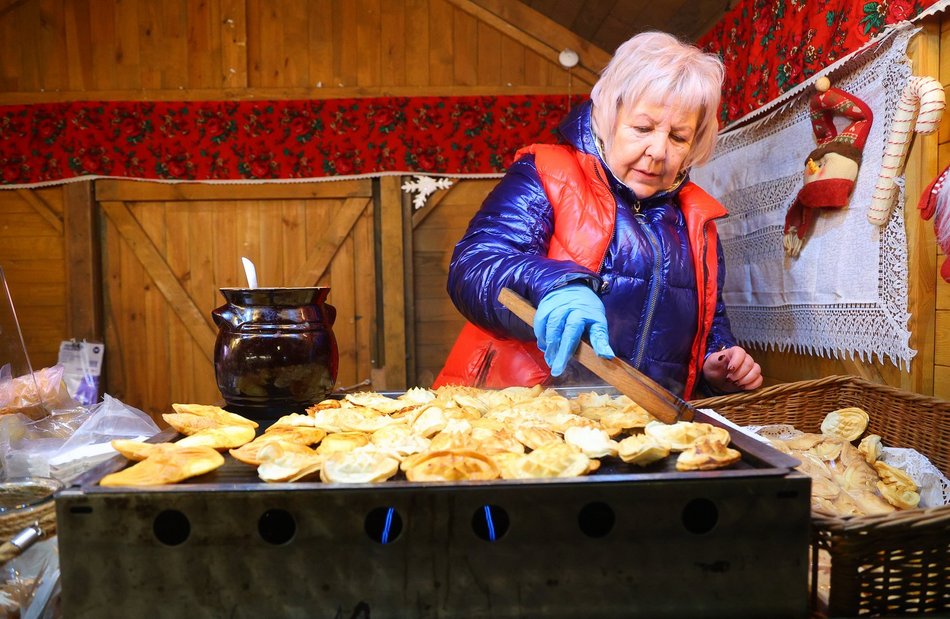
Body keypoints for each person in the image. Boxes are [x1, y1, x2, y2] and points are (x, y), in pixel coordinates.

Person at [434, 31, 762, 399]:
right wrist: (556, 286)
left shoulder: (696, 220)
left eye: (679, 137)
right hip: (517, 417)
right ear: (609, 113)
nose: (658, 150)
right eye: (643, 128)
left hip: (634, 432)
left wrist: (717, 361)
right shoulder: (547, 171)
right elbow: (476, 265)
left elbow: (707, 320)